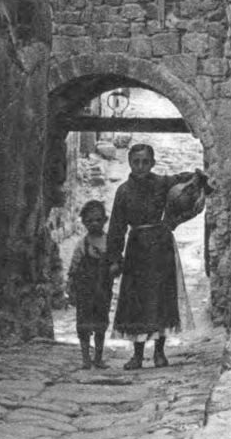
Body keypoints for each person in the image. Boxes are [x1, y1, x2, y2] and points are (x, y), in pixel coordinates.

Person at [106, 143, 194, 370]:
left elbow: (186, 182)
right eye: (136, 162)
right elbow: (116, 227)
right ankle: (137, 355)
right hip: (136, 250)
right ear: (129, 163)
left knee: (161, 298)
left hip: (161, 247)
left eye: (145, 162)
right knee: (136, 300)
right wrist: (114, 258)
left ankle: (159, 352)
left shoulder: (162, 184)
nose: (140, 166)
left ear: (153, 163)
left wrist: (197, 180)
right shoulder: (123, 191)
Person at [66, 199, 113, 370]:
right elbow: (74, 267)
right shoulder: (82, 245)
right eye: (90, 220)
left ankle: (98, 358)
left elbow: (117, 261)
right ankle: (86, 358)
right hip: (85, 290)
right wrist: (70, 287)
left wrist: (115, 267)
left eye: (98, 220)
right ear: (84, 223)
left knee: (101, 324)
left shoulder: (109, 242)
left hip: (103, 290)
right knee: (83, 324)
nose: (94, 224)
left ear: (105, 220)